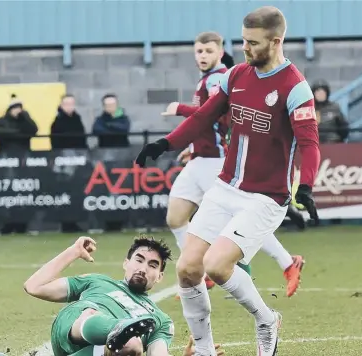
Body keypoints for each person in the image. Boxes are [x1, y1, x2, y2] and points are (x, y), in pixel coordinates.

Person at [136, 6, 320, 356]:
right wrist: (165, 143)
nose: (245, 48)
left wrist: (306, 185)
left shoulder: (295, 88)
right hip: (225, 187)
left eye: (253, 42)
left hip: (266, 198)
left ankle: (267, 319)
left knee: (217, 265)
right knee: (188, 269)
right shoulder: (236, 75)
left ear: (276, 41)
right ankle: (204, 350)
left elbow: (310, 144)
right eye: (243, 41)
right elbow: (204, 116)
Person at [161, 31, 305, 298]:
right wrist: (192, 148)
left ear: (220, 52)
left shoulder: (220, 77)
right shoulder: (209, 78)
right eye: (198, 51)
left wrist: (179, 108)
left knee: (242, 222)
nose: (202, 56)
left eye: (208, 51)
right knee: (175, 217)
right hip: (199, 160)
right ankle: (197, 272)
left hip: (217, 162)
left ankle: (285, 263)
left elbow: (211, 114)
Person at [23, 236, 224, 356]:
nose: (143, 268)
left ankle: (118, 335)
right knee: (91, 314)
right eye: (139, 260)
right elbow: (34, 286)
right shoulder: (97, 281)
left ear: (160, 276)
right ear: (126, 263)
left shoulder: (160, 321)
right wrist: (73, 252)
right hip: (71, 327)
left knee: (133, 346)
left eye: (152, 265)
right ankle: (115, 328)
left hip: (102, 351)